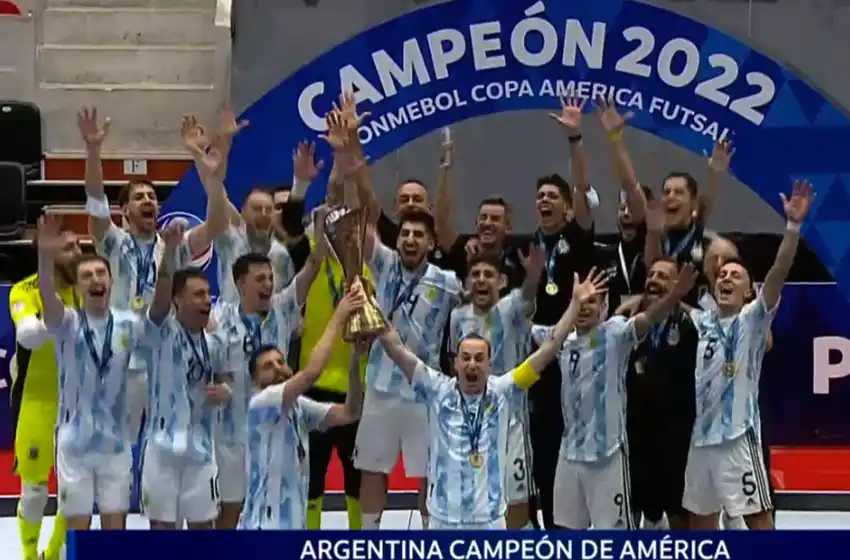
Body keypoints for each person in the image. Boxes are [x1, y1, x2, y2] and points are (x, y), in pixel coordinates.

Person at [377, 270, 607, 529]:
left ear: (488, 364)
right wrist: (367, 301)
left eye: (479, 359)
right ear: (455, 362)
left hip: (489, 523)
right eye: (465, 358)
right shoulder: (436, 388)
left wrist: (575, 305)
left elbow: (550, 347)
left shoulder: (504, 389)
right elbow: (394, 346)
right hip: (442, 521)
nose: (472, 365)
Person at [80, 108, 227, 453]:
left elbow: (218, 224)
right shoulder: (114, 242)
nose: (148, 201)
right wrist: (92, 151)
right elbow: (96, 202)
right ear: (125, 211)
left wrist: (207, 170)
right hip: (124, 356)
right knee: (118, 443)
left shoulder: (176, 244)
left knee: (170, 440)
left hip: (167, 355)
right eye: (139, 197)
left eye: (152, 197)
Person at [34, 215, 182, 532]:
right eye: (87, 275)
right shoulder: (67, 323)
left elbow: (159, 309)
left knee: (115, 533)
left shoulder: (128, 323)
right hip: (74, 445)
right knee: (78, 533)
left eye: (102, 272)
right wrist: (45, 257)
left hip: (116, 445)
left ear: (111, 282)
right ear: (77, 285)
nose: (96, 278)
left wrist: (168, 255)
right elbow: (47, 296)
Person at [684, 180, 813, 530]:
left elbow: (779, 271)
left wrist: (793, 227)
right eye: (722, 274)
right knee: (701, 523)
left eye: (735, 275)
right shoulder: (702, 320)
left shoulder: (753, 319)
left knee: (757, 520)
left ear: (748, 292)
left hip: (738, 439)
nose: (725, 277)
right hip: (701, 440)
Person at [532, 262, 696, 530]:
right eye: (580, 302)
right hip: (570, 455)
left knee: (615, 540)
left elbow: (649, 318)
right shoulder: (559, 341)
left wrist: (675, 295)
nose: (584, 308)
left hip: (608, 457)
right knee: (566, 533)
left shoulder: (616, 333)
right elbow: (525, 321)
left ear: (604, 306)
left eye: (591, 302)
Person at [356, 209, 463, 530]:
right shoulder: (384, 265)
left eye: (418, 235)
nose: (410, 241)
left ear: (431, 243)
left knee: (429, 471)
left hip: (424, 392)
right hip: (380, 387)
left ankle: (432, 536)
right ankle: (368, 537)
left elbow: (475, 311)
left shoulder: (447, 283)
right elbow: (364, 225)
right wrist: (350, 175)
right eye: (405, 234)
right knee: (372, 468)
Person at [211, 243, 324, 529]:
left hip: (277, 433)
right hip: (232, 435)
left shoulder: (283, 308)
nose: (268, 284)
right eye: (259, 279)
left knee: (273, 511)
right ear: (239, 284)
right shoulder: (219, 317)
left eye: (270, 278)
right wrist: (216, 380)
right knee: (230, 511)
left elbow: (311, 269)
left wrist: (323, 235)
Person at [527, 96, 598, 529]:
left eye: (554, 196)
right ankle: (549, 532)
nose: (546, 201)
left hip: (578, 358)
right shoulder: (528, 250)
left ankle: (582, 530)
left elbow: (585, 192)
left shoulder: (578, 235)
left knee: (583, 448)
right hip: (540, 362)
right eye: (541, 196)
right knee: (544, 449)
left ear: (568, 208)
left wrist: (575, 138)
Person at [240, 289, 365, 530]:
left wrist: (355, 359)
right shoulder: (261, 402)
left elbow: (350, 412)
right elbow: (311, 374)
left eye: (280, 361)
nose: (278, 368)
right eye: (268, 366)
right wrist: (338, 317)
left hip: (293, 529)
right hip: (263, 529)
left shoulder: (298, 406)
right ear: (256, 380)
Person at [448, 250, 544, 528]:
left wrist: (534, 275)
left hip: (512, 420)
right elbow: (455, 364)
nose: (481, 280)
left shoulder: (510, 307)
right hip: (473, 422)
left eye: (488, 275)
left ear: (501, 282)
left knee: (516, 500)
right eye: (475, 275)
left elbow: (527, 293)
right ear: (466, 284)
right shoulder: (457, 317)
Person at [140, 265, 235, 530]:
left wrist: (227, 391)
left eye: (207, 294)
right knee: (163, 535)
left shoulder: (215, 343)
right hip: (162, 451)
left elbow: (228, 380)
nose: (206, 300)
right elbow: (158, 303)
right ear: (177, 300)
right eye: (197, 294)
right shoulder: (160, 332)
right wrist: (168, 252)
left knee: (203, 533)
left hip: (202, 452)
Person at [9, 222, 80, 560]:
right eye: (67, 248)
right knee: (35, 492)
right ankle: (28, 553)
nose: (77, 253)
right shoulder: (24, 290)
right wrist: (54, 321)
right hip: (37, 402)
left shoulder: (90, 287)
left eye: (78, 247)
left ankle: (52, 555)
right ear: (45, 252)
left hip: (79, 407)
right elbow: (28, 336)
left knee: (73, 492)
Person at [616, 259, 699, 530]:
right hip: (633, 431)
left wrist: (679, 301)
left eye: (663, 276)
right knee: (631, 509)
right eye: (651, 275)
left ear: (679, 285)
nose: (654, 280)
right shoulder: (625, 322)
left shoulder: (691, 324)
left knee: (678, 510)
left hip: (676, 433)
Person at [182, 110, 298, 304]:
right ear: (243, 213)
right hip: (231, 332)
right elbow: (216, 193)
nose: (264, 214)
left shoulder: (282, 256)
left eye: (269, 209)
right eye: (257, 208)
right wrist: (203, 153)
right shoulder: (231, 240)